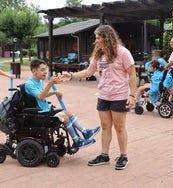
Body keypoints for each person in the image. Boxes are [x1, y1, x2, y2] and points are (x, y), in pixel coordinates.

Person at [62, 25, 137, 170]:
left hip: (119, 96)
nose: (96, 41)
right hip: (103, 95)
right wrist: (71, 76)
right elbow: (89, 71)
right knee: (105, 127)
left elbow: (133, 74)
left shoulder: (123, 53)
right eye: (96, 38)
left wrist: (132, 95)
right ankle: (104, 155)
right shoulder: (99, 54)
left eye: (98, 38)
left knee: (119, 128)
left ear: (107, 37)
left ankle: (123, 156)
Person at [25, 59, 100, 149]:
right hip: (39, 114)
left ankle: (85, 132)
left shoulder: (39, 81)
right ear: (34, 71)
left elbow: (43, 94)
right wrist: (50, 84)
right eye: (42, 70)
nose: (45, 72)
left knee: (67, 112)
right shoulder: (29, 84)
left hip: (45, 111)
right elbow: (40, 96)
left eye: (46, 69)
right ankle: (77, 141)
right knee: (64, 116)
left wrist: (54, 92)